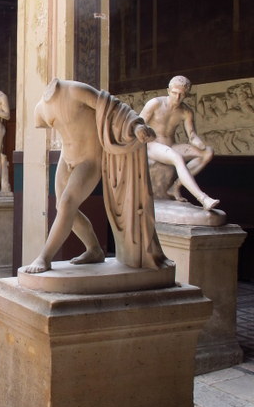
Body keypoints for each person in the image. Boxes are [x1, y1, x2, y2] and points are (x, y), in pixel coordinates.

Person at [24, 78, 166, 274]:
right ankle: (94, 249)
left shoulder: (74, 90)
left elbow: (114, 108)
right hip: (66, 159)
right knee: (64, 208)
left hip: (89, 160)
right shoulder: (40, 108)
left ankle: (44, 257)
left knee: (67, 204)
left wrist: (136, 126)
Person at [139, 76, 219, 210]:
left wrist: (199, 143)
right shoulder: (155, 103)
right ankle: (203, 198)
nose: (177, 97)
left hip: (170, 145)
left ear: (186, 94)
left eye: (181, 94)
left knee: (208, 153)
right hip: (152, 146)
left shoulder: (186, 111)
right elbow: (138, 125)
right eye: (174, 93)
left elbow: (191, 135)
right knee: (176, 158)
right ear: (168, 91)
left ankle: (175, 186)